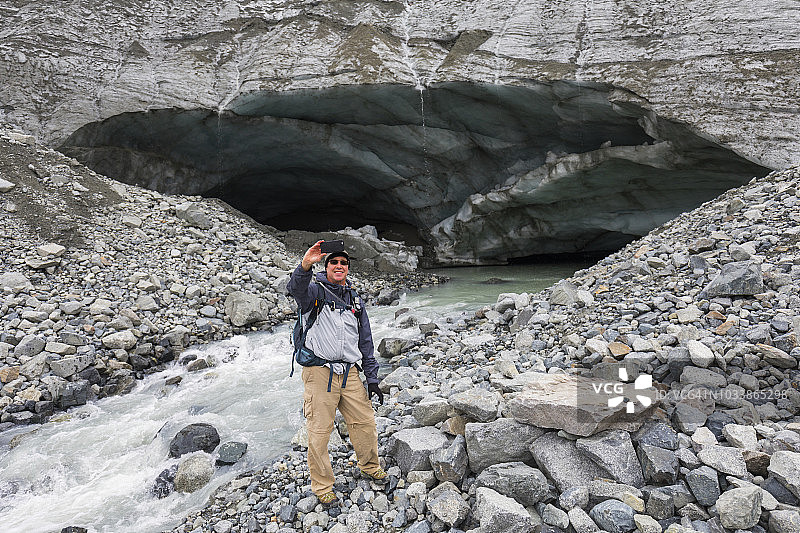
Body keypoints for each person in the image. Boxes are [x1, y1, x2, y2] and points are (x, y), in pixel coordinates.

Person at [287, 240, 387, 506]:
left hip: (350, 373)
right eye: (334, 262)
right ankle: (322, 486)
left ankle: (369, 465)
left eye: (344, 263)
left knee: (365, 423)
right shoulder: (313, 293)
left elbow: (365, 340)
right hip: (320, 372)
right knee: (320, 432)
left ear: (348, 269)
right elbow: (294, 288)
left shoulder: (355, 299)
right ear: (327, 266)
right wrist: (305, 265)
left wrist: (372, 377)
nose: (339, 266)